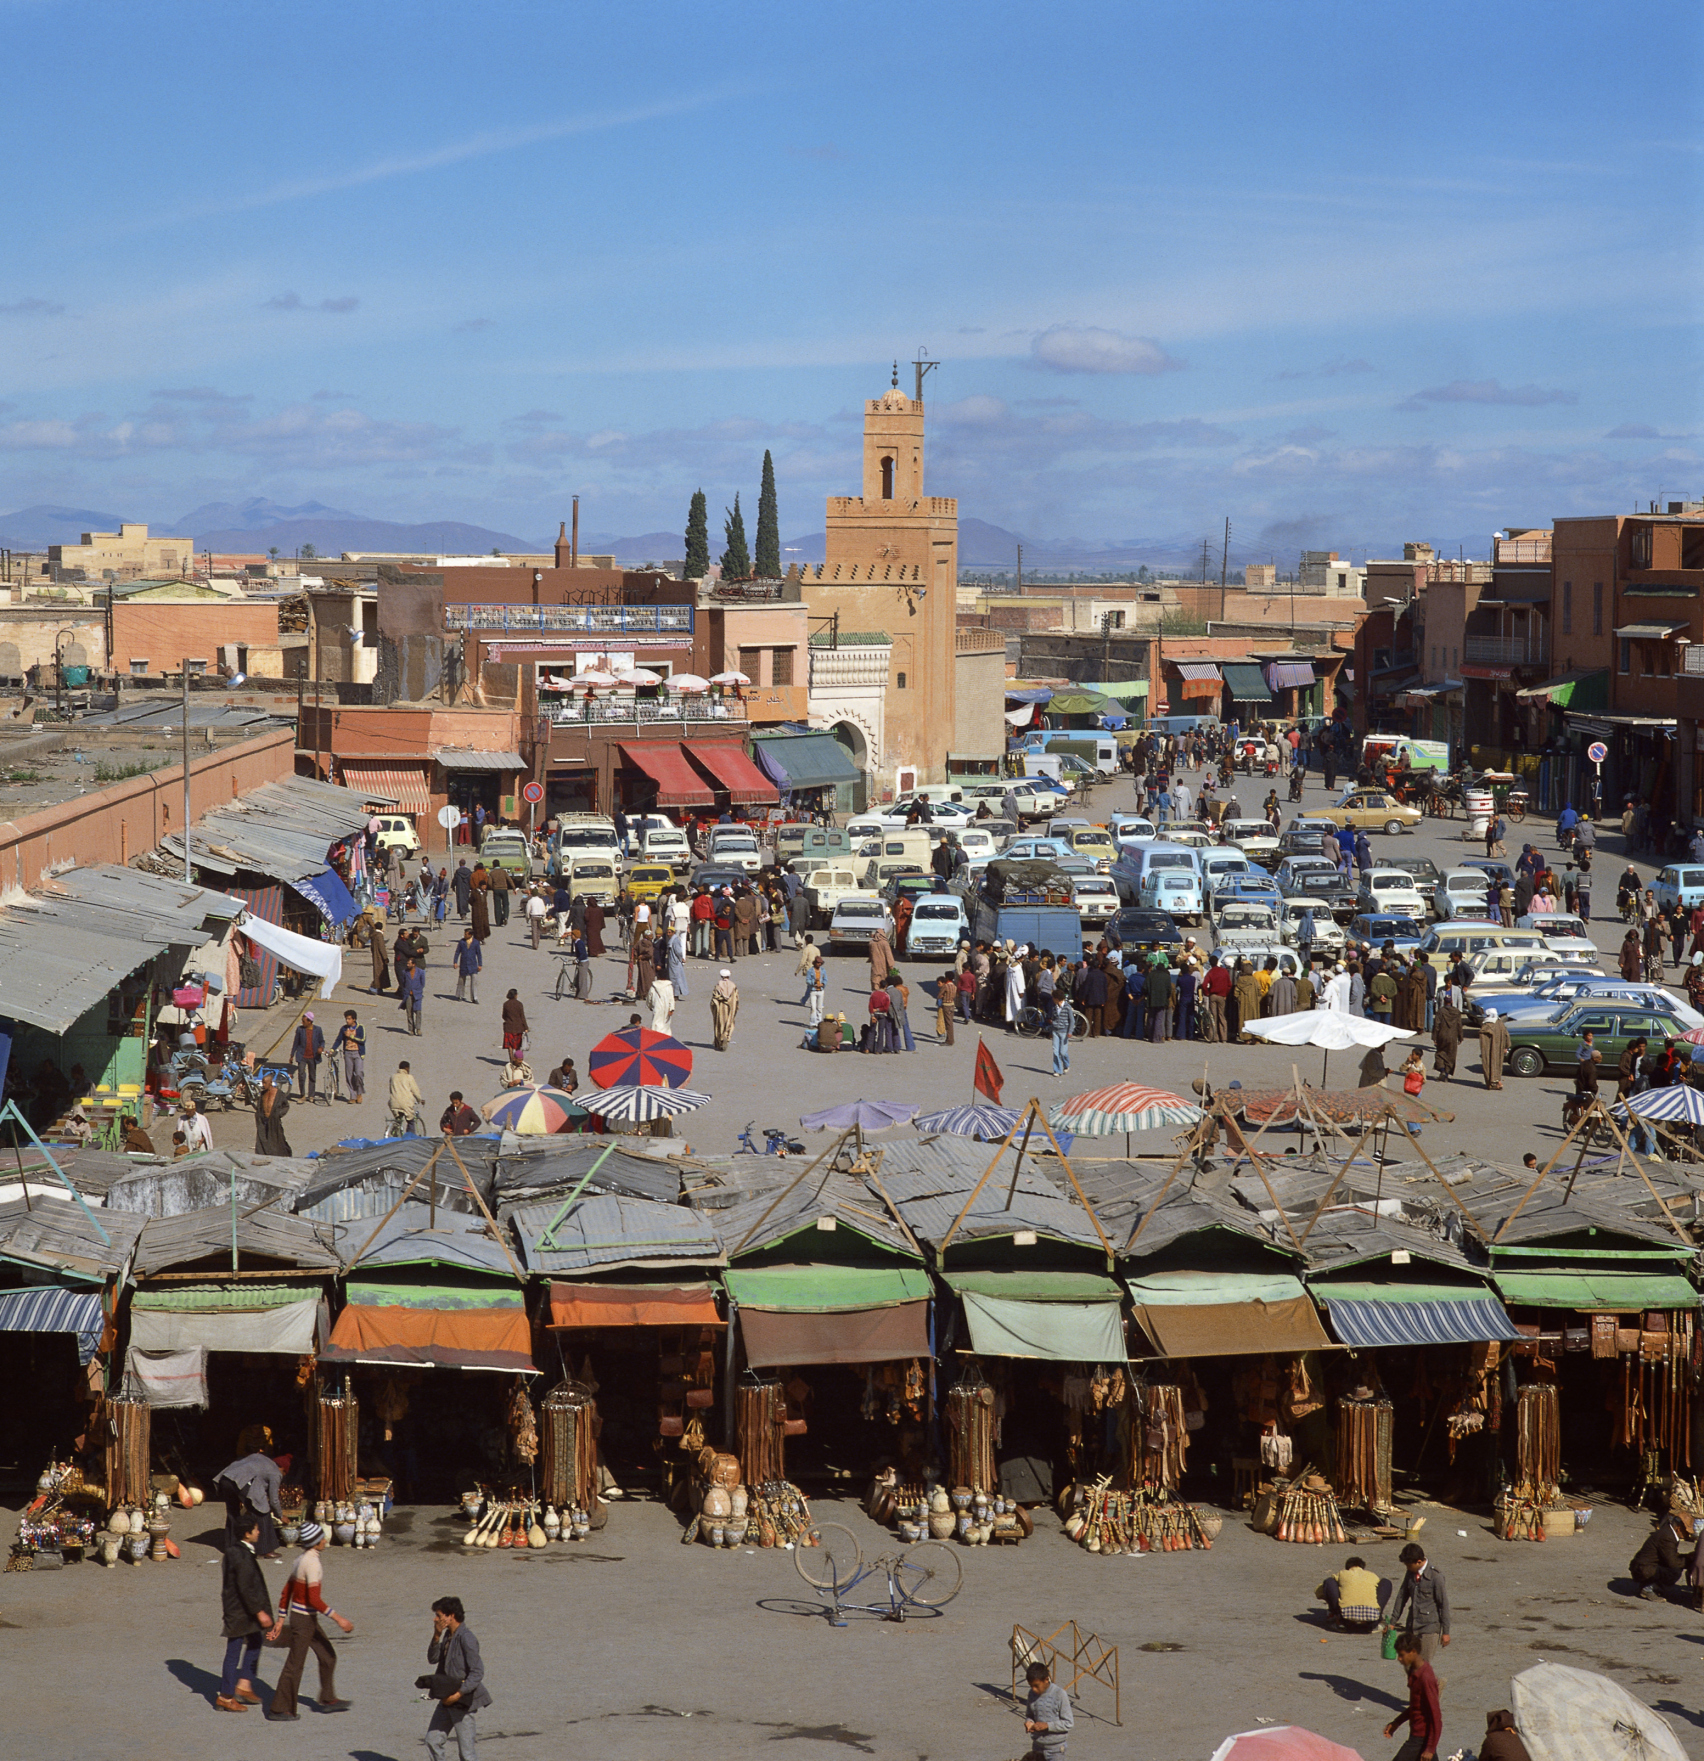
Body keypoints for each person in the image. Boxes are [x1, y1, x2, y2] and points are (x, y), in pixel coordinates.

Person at [267, 1521, 352, 1721]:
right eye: (322, 1537)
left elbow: (286, 1591)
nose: (325, 1540)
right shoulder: (312, 1563)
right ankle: (279, 1708)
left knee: (327, 1655)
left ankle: (328, 1698)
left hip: (304, 1619)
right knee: (295, 1664)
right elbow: (313, 1599)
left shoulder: (299, 1560)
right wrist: (338, 1618)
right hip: (304, 1620)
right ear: (315, 1542)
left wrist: (280, 1619)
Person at [216, 1512, 275, 1713]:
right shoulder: (240, 1554)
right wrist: (259, 1612)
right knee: (233, 1652)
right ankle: (226, 1696)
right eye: (256, 1529)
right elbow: (245, 1586)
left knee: (256, 1641)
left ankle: (244, 1684)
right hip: (241, 1612)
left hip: (241, 1610)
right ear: (248, 1533)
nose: (259, 1532)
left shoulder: (237, 1551)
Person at [424, 1594, 491, 1761]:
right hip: (447, 1698)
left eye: (439, 1615)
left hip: (462, 1702)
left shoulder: (467, 1638)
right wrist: (437, 1635)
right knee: (432, 1741)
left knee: (467, 1754)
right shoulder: (447, 1636)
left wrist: (458, 1694)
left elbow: (477, 1672)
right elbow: (432, 1659)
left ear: (450, 1616)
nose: (435, 1619)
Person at [1387, 1542, 1451, 1667]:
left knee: (1422, 1666)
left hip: (1429, 1627)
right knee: (1410, 1664)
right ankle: (1433, 1685)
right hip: (1412, 1625)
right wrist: (1392, 1622)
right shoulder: (1411, 1573)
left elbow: (1443, 1605)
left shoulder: (1435, 1577)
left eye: (1408, 1565)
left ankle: (1434, 1685)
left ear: (1418, 1561)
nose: (1407, 1568)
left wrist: (1446, 1632)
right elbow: (1402, 1597)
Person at [214, 1444, 284, 1558]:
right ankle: (265, 1550)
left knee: (233, 1513)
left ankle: (232, 1547)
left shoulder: (260, 1458)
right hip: (240, 1480)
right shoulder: (276, 1472)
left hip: (226, 1478)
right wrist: (280, 1515)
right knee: (262, 1512)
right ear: (283, 1468)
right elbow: (273, 1500)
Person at [1383, 1631, 1442, 1761]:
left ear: (1413, 1652)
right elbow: (1416, 1706)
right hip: (1418, 1735)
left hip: (1421, 1737)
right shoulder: (1414, 1671)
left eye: (1402, 1655)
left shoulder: (1425, 1678)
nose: (1399, 1658)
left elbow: (1436, 1716)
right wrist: (1397, 1722)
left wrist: (1430, 1749)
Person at [1630, 1506, 1695, 1599]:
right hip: (1642, 1569)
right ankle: (1648, 1588)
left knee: (1676, 1566)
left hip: (1644, 1565)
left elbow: (1669, 1555)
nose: (1687, 1535)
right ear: (1678, 1528)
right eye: (1686, 1532)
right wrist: (1688, 1561)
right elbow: (1672, 1562)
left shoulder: (1668, 1532)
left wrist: (1686, 1557)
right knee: (1675, 1571)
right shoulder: (1668, 1537)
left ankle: (1650, 1586)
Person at [1317, 1555, 1391, 1632]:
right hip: (1371, 1623)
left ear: (1347, 1568)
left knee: (1329, 1581)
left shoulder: (1342, 1573)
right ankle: (1378, 1618)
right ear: (1363, 1568)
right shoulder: (1372, 1575)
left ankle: (1336, 1619)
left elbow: (1321, 1589)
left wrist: (1328, 1597)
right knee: (1386, 1582)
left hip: (1346, 1622)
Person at [1022, 1660, 1072, 1761]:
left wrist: (1047, 1726)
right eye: (1031, 1686)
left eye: (1036, 1686)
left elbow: (1068, 1723)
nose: (1034, 1689)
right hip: (1037, 1747)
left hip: (1056, 1750)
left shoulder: (1059, 1694)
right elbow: (1030, 1714)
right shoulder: (1031, 1694)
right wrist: (1029, 1722)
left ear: (1046, 1680)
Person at [253, 1075, 292, 1157]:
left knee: (277, 1140)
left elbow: (286, 1106)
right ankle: (263, 1155)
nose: (263, 1085)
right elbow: (259, 1106)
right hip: (263, 1121)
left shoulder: (279, 1094)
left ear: (270, 1083)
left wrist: (278, 1114)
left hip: (274, 1121)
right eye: (263, 1082)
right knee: (262, 1138)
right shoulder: (263, 1094)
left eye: (265, 1083)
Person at [290, 1013, 325, 1100]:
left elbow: (322, 1041)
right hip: (302, 1056)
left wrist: (321, 1048)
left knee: (312, 1076)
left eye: (304, 1021)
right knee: (301, 1075)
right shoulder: (300, 1030)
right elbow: (296, 1043)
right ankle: (302, 1095)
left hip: (313, 1056)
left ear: (309, 1022)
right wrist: (292, 1054)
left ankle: (311, 1095)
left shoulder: (318, 1030)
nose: (302, 1023)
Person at [1431, 996, 1461, 1081]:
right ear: (1451, 1001)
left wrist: (1434, 1037)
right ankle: (1446, 1074)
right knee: (1451, 1056)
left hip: (1442, 1035)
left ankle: (1442, 1070)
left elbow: (1436, 1025)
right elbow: (1459, 1025)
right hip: (1453, 1037)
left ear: (1444, 1001)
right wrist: (1460, 1037)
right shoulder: (1456, 1012)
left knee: (1440, 1053)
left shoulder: (1441, 1011)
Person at [389, 1062, 424, 1135]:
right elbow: (415, 1091)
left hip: (394, 1102)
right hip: (406, 1104)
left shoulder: (393, 1077)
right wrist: (419, 1099)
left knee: (398, 1119)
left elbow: (391, 1090)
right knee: (410, 1120)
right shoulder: (409, 1077)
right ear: (407, 1068)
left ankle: (394, 1133)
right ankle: (410, 1138)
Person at [1478, 1007, 1507, 1090]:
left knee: (1488, 1064)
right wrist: (1506, 1046)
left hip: (1489, 1049)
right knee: (1497, 1065)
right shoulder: (1500, 1023)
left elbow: (1482, 1035)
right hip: (1499, 1049)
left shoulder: (1487, 1025)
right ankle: (1497, 1081)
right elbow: (1506, 1035)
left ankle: (1492, 1083)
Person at [710, 969, 739, 1050]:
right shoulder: (733, 985)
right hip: (730, 1008)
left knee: (719, 1024)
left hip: (720, 1008)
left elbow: (714, 997)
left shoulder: (718, 985)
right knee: (729, 1022)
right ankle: (726, 1036)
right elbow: (736, 998)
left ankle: (719, 1040)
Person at [453, 927, 482, 1004]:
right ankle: (460, 995)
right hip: (464, 963)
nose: (464, 935)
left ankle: (474, 997)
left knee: (474, 982)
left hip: (473, 964)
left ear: (470, 935)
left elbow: (478, 954)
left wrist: (480, 964)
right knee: (461, 980)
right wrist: (455, 962)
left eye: (466, 934)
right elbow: (457, 952)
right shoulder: (461, 942)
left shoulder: (475, 942)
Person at [398, 957, 425, 1036]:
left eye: (409, 964)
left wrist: (417, 990)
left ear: (414, 964)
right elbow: (403, 983)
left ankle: (418, 1029)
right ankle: (411, 1029)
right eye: (407, 963)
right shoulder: (405, 972)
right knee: (409, 1012)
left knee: (418, 1012)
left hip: (417, 994)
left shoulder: (420, 972)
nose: (407, 965)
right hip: (408, 995)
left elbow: (422, 983)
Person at [500, 989, 528, 1062]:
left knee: (510, 1046)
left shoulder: (505, 1004)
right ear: (515, 995)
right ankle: (517, 1060)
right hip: (518, 1028)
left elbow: (503, 1016)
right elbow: (522, 1016)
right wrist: (526, 1027)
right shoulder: (519, 1004)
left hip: (508, 1028)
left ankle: (511, 1059)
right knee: (518, 1046)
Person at [525, 885, 547, 950]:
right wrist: (544, 916)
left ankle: (535, 944)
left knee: (534, 930)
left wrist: (527, 917)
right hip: (540, 915)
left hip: (533, 916)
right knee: (539, 930)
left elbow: (527, 910)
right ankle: (537, 941)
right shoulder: (541, 900)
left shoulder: (530, 901)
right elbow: (543, 909)